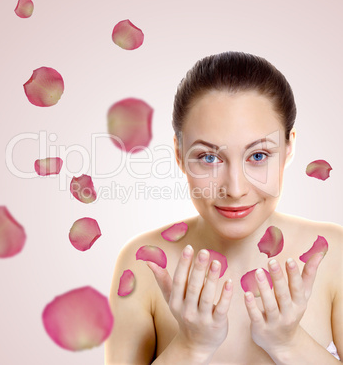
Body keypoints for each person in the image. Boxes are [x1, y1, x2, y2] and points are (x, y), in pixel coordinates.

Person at [104, 51, 342, 364]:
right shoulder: (144, 264)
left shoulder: (335, 254)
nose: (235, 189)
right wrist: (191, 347)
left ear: (289, 148)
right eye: (208, 157)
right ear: (179, 152)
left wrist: (289, 343)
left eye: (258, 156)